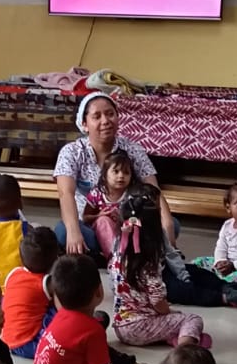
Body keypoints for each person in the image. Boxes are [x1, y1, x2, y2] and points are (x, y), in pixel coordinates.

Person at [31, 254, 150, 364]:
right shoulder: (92, 330)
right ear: (99, 291)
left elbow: (102, 352)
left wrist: (129, 363)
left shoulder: (60, 317)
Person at [53, 92, 177, 253]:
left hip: (127, 224)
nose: (105, 121)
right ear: (84, 124)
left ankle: (113, 252)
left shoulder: (132, 149)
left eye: (110, 114)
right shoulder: (72, 152)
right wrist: (74, 231)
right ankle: (119, 253)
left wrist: (167, 225)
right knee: (63, 232)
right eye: (97, 116)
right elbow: (65, 193)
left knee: (172, 224)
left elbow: (153, 189)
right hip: (88, 225)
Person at [110, 186, 208, 349]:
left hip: (121, 327)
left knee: (171, 317)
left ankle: (171, 337)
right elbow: (158, 302)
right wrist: (169, 312)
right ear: (155, 232)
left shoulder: (117, 258)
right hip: (140, 328)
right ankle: (184, 349)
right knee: (192, 319)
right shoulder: (149, 265)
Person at [1, 226, 60, 357]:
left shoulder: (13, 273)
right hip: (30, 343)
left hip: (7, 341)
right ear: (55, 260)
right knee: (59, 311)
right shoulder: (47, 283)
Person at [193, 184, 237, 288]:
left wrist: (234, 265)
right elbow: (221, 246)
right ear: (228, 207)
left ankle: (220, 286)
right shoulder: (227, 225)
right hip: (226, 263)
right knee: (197, 262)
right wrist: (220, 261)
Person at [82, 150, 133, 258]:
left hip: (126, 233)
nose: (121, 176)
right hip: (102, 235)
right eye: (116, 171)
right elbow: (85, 218)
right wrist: (98, 215)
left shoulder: (132, 195)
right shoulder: (97, 194)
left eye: (126, 172)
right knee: (103, 221)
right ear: (105, 175)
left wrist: (123, 219)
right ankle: (115, 258)